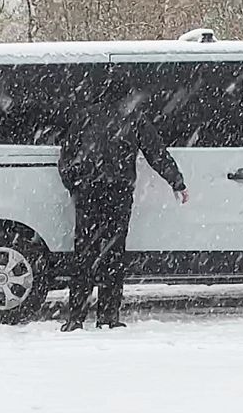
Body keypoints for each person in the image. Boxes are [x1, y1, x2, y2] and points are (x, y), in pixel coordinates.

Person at [57, 83, 189, 332]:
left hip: (88, 193)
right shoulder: (134, 119)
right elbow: (156, 153)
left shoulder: (84, 117)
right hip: (118, 193)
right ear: (124, 97)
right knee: (113, 255)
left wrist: (74, 184)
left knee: (84, 254)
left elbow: (66, 155)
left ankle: (75, 317)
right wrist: (177, 182)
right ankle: (108, 315)